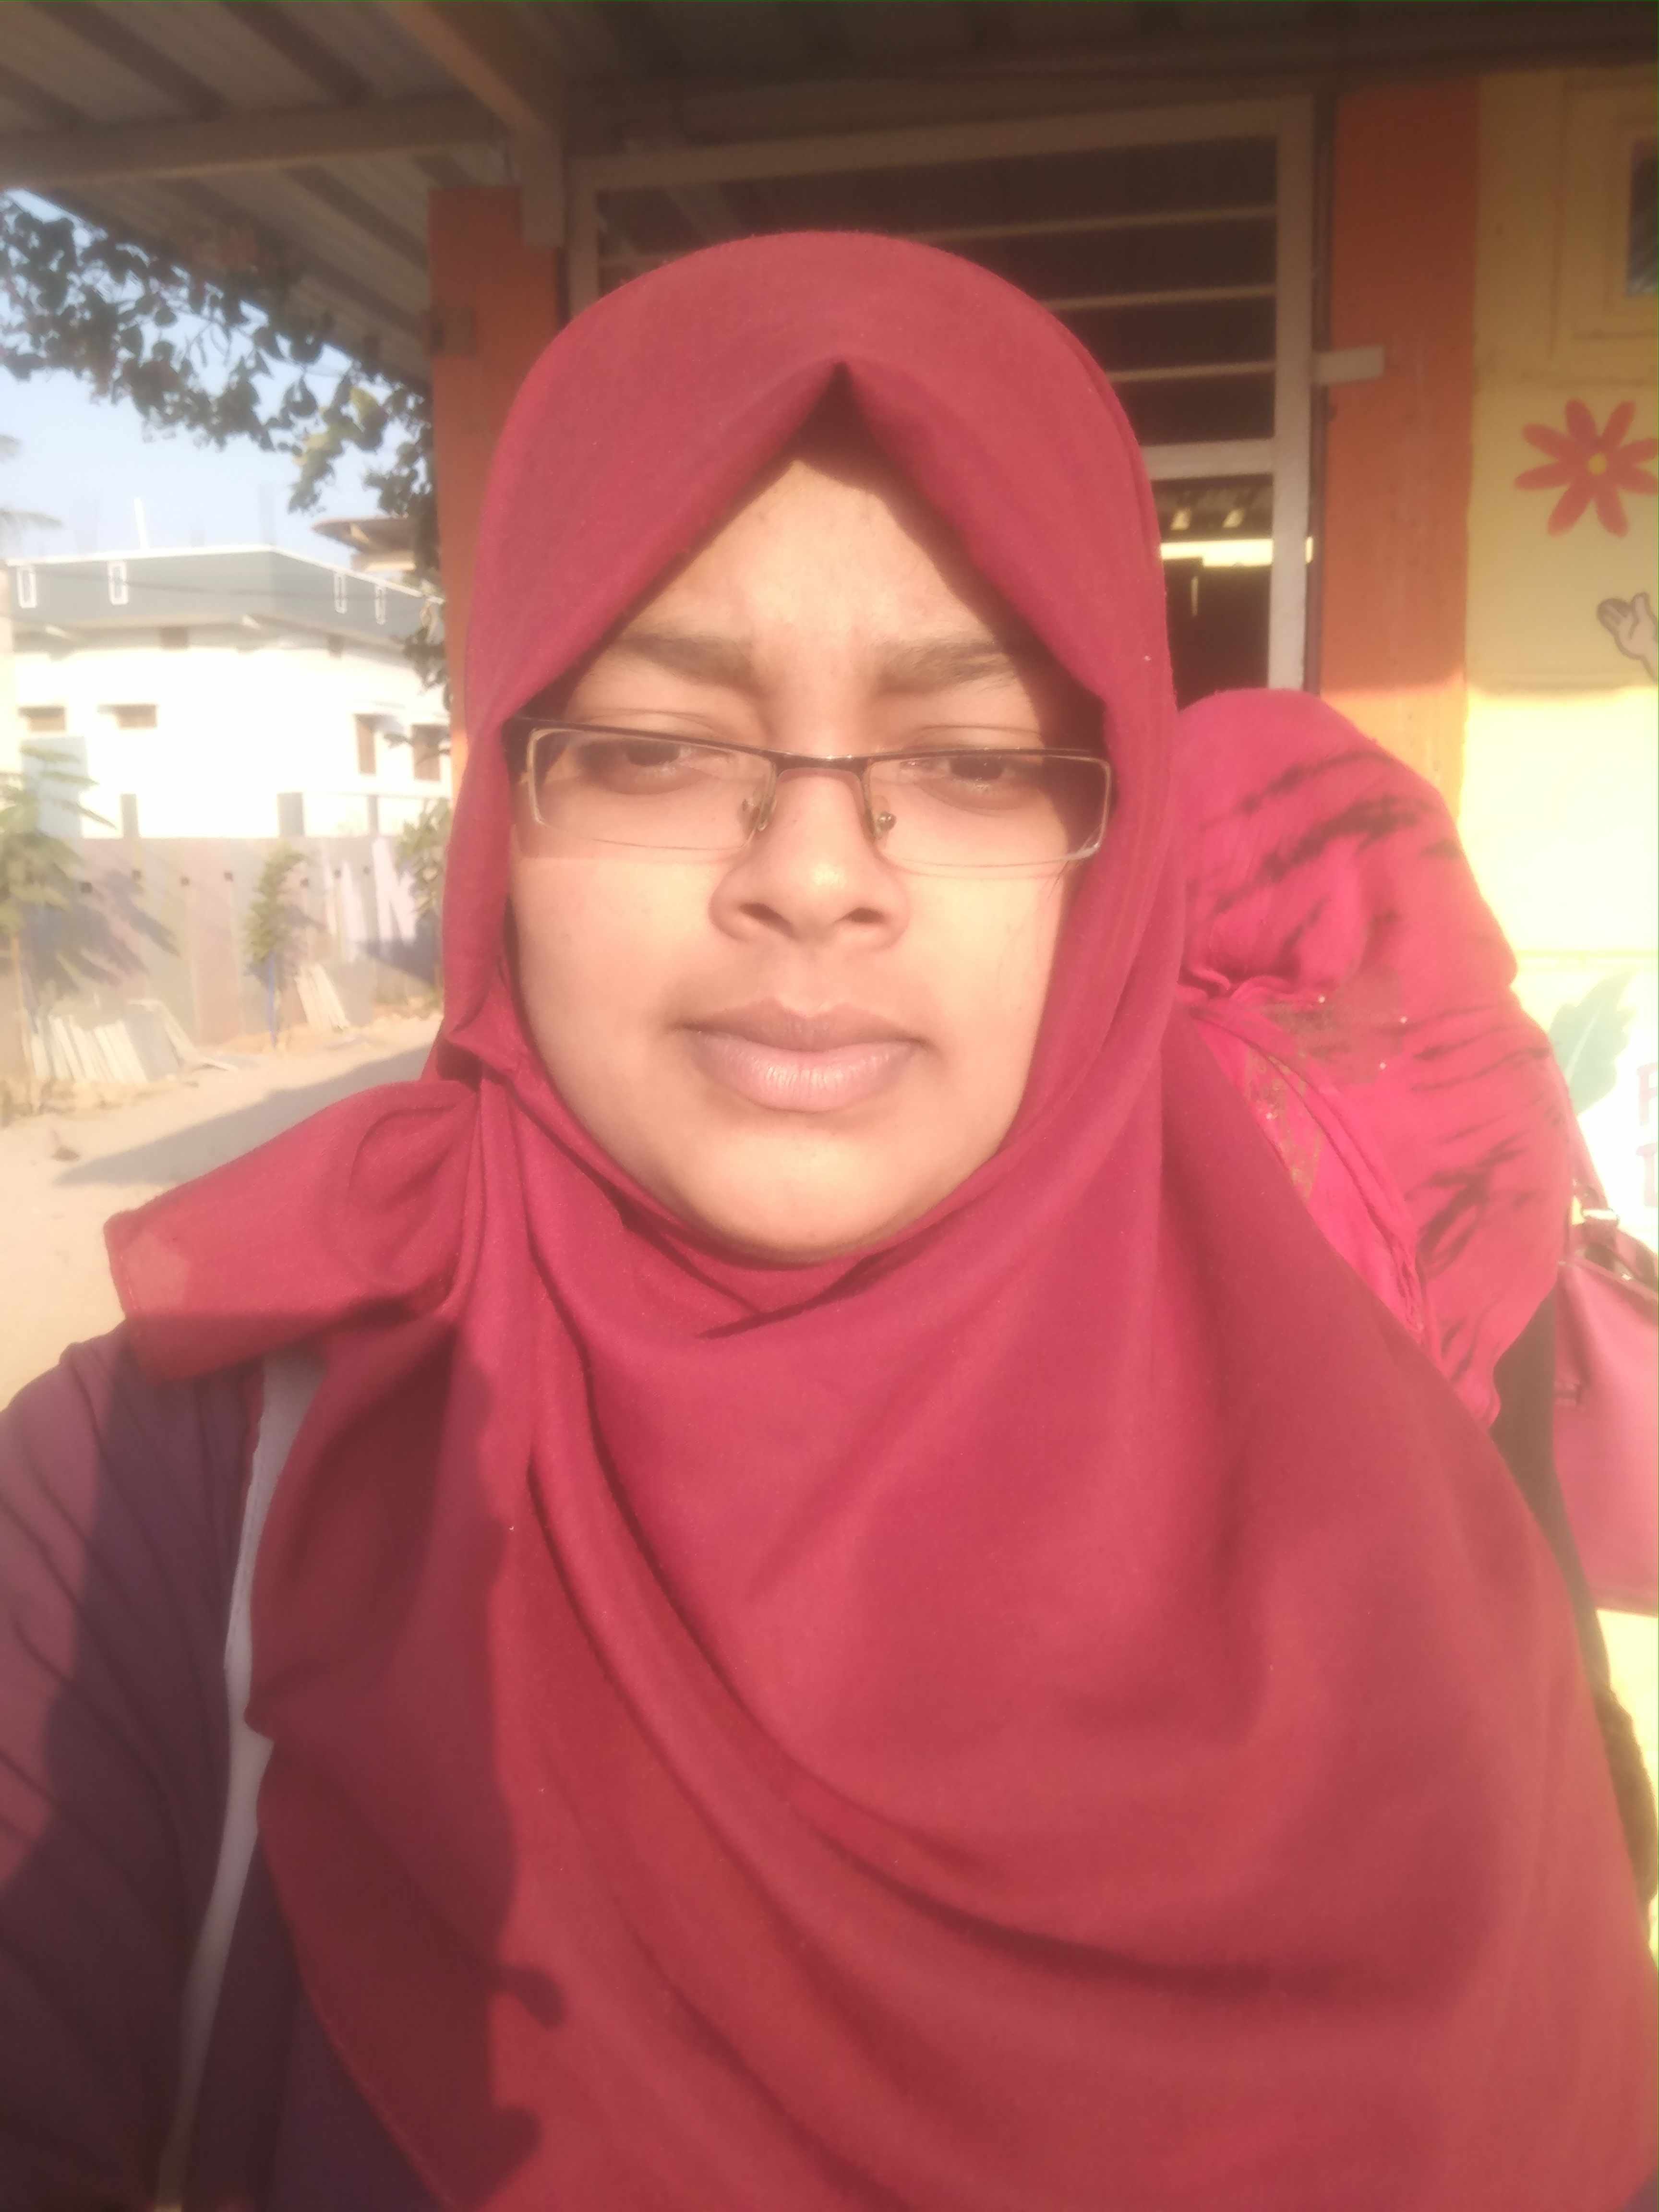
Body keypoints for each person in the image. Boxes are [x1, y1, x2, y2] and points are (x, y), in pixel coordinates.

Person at [0, 233, 1654, 2212]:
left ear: (1109, 856)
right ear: (503, 809)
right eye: (654, 745)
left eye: (970, 762)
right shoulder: (176, 1503)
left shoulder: (1375, 1523)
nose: (809, 875)